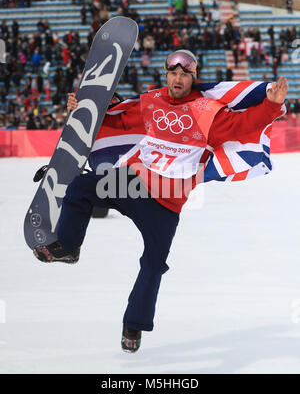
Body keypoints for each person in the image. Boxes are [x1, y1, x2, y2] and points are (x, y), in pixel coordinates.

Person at [33, 50, 288, 354]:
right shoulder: (151, 100)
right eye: (173, 73)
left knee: (153, 264)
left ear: (193, 78)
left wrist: (271, 106)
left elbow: (242, 124)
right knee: (83, 186)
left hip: (166, 204)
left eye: (184, 75)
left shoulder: (207, 110)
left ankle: (133, 326)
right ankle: (69, 246)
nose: (177, 79)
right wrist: (83, 111)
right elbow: (118, 122)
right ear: (166, 74)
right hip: (132, 184)